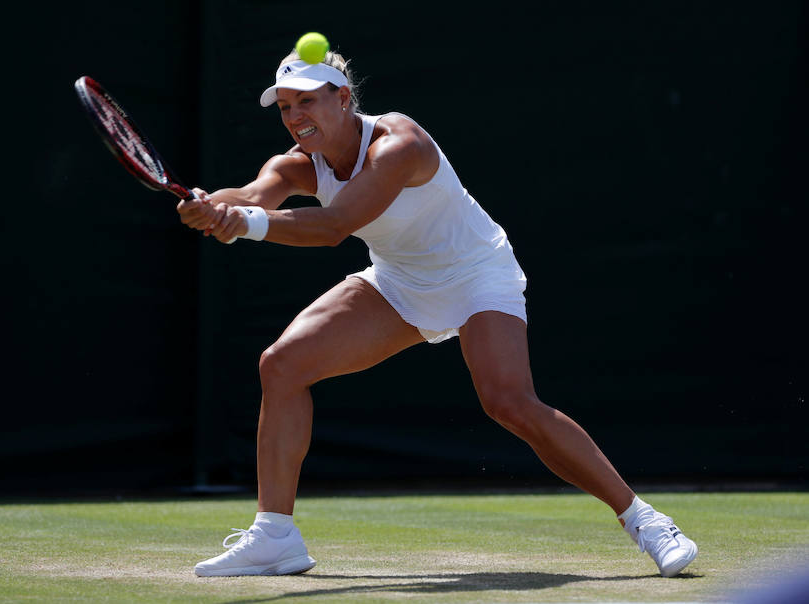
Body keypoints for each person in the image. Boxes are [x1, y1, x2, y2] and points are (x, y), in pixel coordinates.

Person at [179, 47, 698, 578]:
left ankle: (645, 521)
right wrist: (211, 206)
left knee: (509, 402)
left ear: (343, 97)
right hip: (399, 284)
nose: (295, 118)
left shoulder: (400, 143)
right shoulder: (294, 164)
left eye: (307, 101)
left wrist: (243, 222)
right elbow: (251, 195)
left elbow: (334, 225)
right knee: (281, 365)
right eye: (285, 106)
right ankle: (275, 536)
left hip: (477, 273)